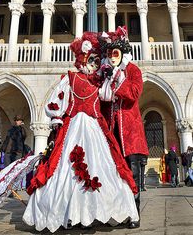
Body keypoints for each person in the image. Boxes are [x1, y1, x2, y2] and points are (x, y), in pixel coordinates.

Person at [23, 32, 139, 232]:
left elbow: (110, 96)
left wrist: (113, 77)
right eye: (91, 60)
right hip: (74, 128)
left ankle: (98, 212)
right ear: (82, 59)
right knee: (65, 170)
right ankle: (69, 213)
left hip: (96, 129)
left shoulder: (99, 82)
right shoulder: (70, 79)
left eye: (96, 60)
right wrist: (57, 118)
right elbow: (56, 102)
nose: (94, 64)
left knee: (103, 166)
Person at [99, 26, 149, 229]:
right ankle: (117, 212)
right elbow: (101, 103)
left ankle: (134, 214)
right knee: (113, 174)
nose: (112, 58)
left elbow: (134, 93)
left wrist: (117, 78)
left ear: (123, 54)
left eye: (116, 53)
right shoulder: (105, 75)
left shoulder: (132, 70)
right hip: (112, 134)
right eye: (110, 54)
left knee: (133, 173)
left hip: (131, 133)